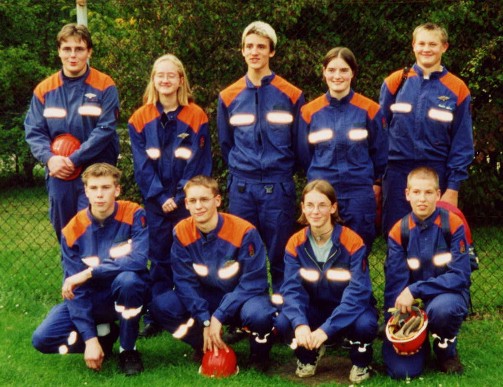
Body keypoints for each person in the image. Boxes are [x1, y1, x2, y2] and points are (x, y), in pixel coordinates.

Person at [32, 163, 149, 375]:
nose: (100, 194)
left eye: (105, 187)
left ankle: (128, 350)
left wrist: (90, 272)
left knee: (129, 281)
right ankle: (103, 338)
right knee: (42, 338)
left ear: (117, 190)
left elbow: (139, 260)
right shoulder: (73, 229)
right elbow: (76, 289)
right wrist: (89, 339)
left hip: (125, 293)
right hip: (92, 299)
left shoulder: (134, 213)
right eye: (93, 188)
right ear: (85, 191)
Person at [150, 175, 276, 371]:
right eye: (193, 201)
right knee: (162, 305)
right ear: (186, 204)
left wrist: (219, 315)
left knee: (260, 315)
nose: (198, 206)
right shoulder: (181, 231)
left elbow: (255, 282)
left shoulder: (244, 231)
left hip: (242, 298)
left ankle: (259, 356)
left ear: (217, 200)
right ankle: (204, 345)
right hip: (207, 297)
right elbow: (184, 282)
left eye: (204, 199)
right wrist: (205, 319)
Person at [217, 21, 305, 296]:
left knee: (281, 254)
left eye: (261, 47)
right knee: (242, 254)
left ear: (272, 52)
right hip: (242, 187)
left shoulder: (291, 94)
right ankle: (245, 312)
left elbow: (300, 144)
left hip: (278, 187)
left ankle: (282, 311)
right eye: (249, 46)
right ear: (242, 51)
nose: (255, 52)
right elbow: (226, 143)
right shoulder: (228, 96)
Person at [128, 54, 212, 337]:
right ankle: (156, 313)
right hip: (156, 203)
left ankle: (196, 309)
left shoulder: (196, 116)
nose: (165, 80)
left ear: (180, 80)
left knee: (191, 255)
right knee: (160, 257)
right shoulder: (139, 119)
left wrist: (180, 196)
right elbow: (141, 165)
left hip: (188, 201)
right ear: (153, 79)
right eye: (159, 75)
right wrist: (160, 196)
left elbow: (199, 161)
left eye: (171, 75)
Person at [275, 180, 378, 384]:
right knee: (284, 321)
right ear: (303, 208)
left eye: (322, 205)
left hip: (348, 309)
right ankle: (308, 356)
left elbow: (358, 292)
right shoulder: (295, 243)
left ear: (333, 207)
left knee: (365, 324)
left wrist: (326, 329)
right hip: (314, 308)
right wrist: (301, 323)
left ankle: (360, 362)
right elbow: (291, 289)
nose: (316, 211)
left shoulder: (353, 241)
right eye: (310, 205)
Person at [25, 23, 120, 242]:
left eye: (79, 49)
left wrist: (75, 158)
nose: (73, 55)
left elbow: (105, 129)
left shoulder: (105, 85)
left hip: (96, 170)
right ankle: (71, 276)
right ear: (59, 51)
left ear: (89, 52)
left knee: (95, 231)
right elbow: (34, 130)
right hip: (60, 173)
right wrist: (50, 160)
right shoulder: (44, 89)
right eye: (67, 49)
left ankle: (99, 276)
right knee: (66, 233)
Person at [380, 22, 474, 236]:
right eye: (421, 43)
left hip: (436, 172)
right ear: (413, 46)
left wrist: (452, 187)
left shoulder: (457, 88)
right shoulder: (395, 82)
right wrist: (378, 178)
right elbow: (380, 134)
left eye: (433, 44)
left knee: (436, 242)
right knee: (397, 237)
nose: (426, 49)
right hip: (397, 173)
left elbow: (462, 143)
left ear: (444, 47)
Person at [383, 166, 471, 378]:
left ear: (438, 195)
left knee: (443, 310)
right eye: (416, 192)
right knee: (402, 372)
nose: (422, 199)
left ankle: (445, 349)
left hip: (447, 296)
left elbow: (460, 276)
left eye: (428, 192)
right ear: (407, 194)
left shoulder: (453, 224)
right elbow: (395, 285)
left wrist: (416, 289)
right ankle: (418, 343)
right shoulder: (398, 231)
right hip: (412, 306)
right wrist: (396, 323)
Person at [298, 47, 387, 255]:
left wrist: (373, 183)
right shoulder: (309, 112)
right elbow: (304, 155)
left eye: (344, 70)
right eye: (332, 70)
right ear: (324, 72)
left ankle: (358, 289)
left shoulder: (370, 109)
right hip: (323, 194)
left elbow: (380, 153)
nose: (337, 76)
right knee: (323, 255)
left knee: (358, 253)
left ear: (353, 73)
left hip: (358, 194)